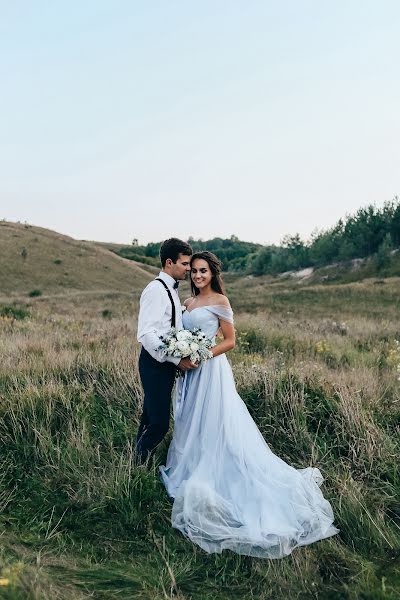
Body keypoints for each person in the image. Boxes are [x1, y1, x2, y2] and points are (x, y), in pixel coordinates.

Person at [160, 251, 339, 558]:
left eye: (203, 271)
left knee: (216, 419)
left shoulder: (220, 302)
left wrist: (202, 355)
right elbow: (182, 333)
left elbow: (230, 341)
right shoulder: (188, 304)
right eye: (194, 272)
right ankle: (190, 460)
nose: (198, 276)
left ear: (213, 274)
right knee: (191, 419)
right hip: (190, 372)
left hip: (211, 369)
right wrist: (182, 354)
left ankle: (220, 465)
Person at [136, 238, 197, 464]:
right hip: (154, 363)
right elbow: (146, 333)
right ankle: (138, 465)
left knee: (150, 416)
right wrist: (176, 359)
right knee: (159, 424)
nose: (188, 269)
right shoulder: (155, 290)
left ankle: (136, 463)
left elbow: (169, 323)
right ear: (169, 263)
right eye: (184, 264)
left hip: (164, 363)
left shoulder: (170, 289)